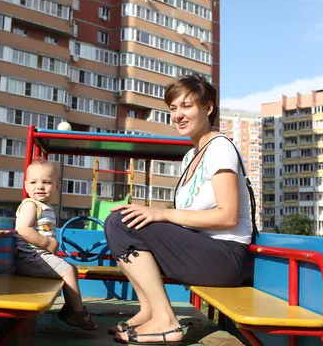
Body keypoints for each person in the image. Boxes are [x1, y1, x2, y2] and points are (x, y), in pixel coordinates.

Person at [104, 74, 257, 344]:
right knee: (123, 219)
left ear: (208, 108)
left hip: (225, 256)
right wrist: (154, 215)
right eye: (173, 109)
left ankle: (166, 321)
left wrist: (162, 214)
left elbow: (228, 216)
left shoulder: (220, 148)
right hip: (201, 248)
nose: (178, 115)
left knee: (121, 223)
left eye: (186, 106)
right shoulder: (190, 156)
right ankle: (150, 310)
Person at [14, 158, 97, 331]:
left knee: (72, 269)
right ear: (26, 186)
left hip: (40, 257)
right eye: (34, 182)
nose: (40, 187)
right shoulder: (30, 205)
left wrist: (51, 245)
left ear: (56, 186)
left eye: (46, 182)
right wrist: (47, 243)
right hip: (31, 257)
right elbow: (23, 229)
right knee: (68, 271)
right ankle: (77, 312)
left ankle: (70, 308)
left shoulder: (46, 207)